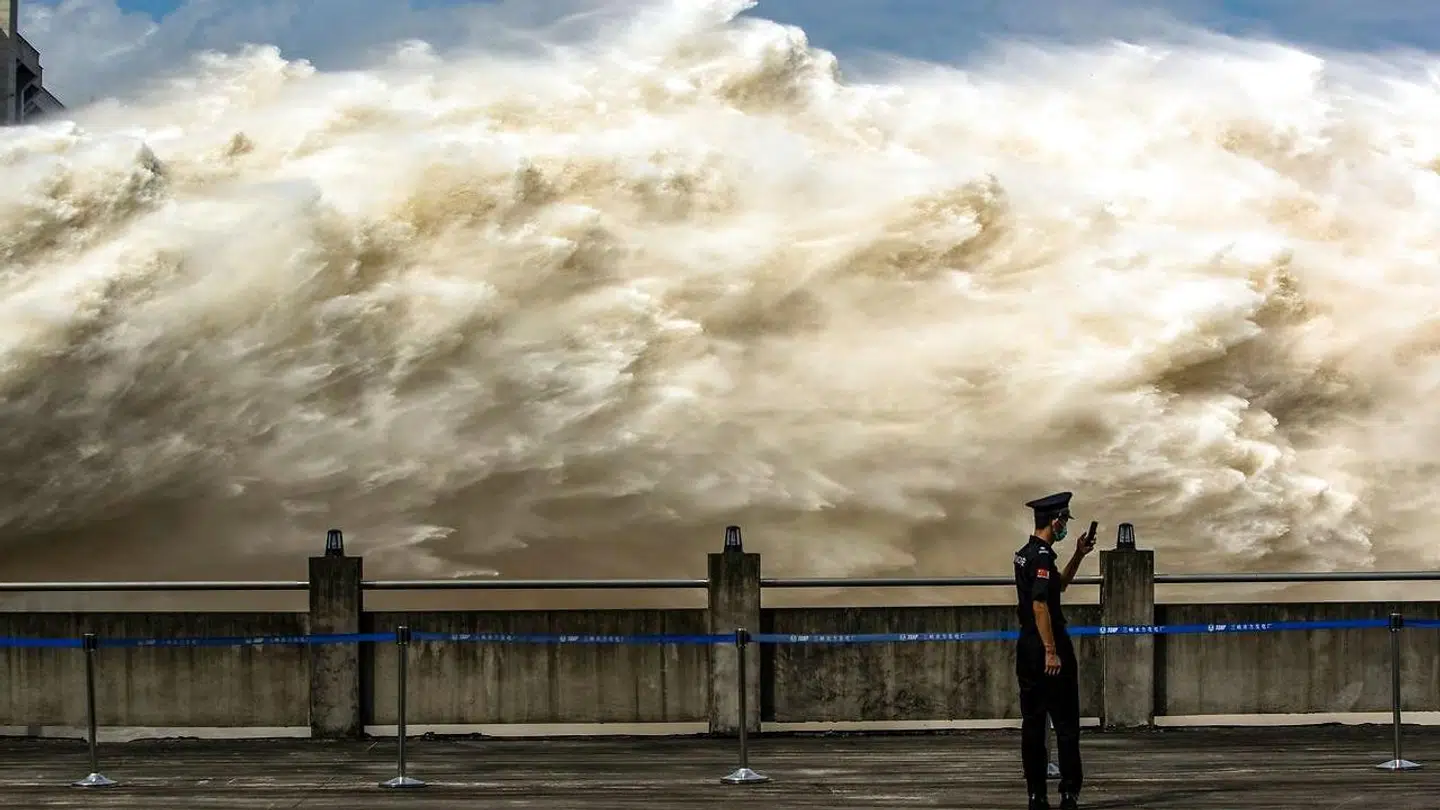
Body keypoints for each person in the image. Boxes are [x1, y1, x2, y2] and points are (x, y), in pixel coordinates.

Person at [1013, 491, 1095, 810]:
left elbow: (1057, 586)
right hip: (1048, 648)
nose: (1064, 528)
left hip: (1026, 649)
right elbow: (1040, 604)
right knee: (1065, 726)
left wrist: (1078, 555)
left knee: (1033, 724)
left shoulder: (1024, 553)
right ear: (1056, 521)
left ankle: (1036, 795)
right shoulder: (1043, 557)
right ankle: (1069, 793)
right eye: (1064, 522)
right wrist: (1051, 650)